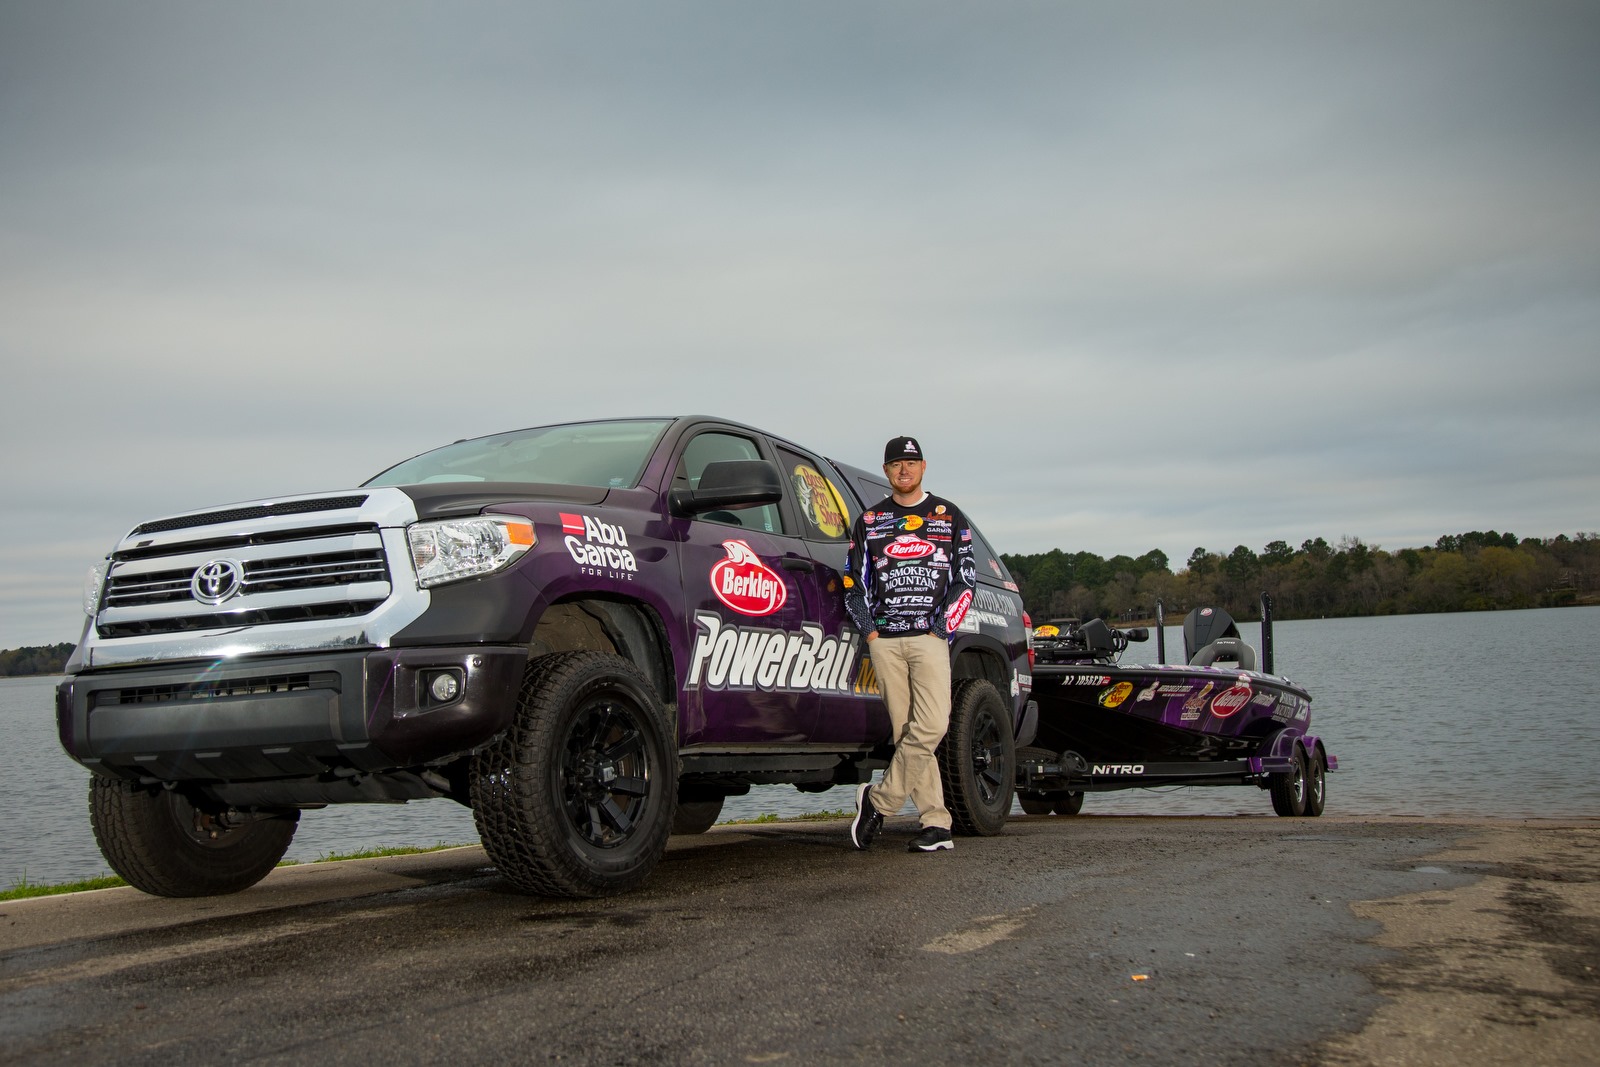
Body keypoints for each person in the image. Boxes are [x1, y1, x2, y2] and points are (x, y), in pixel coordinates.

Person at [843, 435, 976, 853]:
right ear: (886, 471)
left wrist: (941, 629)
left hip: (929, 638)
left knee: (933, 725)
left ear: (923, 467)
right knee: (908, 734)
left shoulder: (949, 517)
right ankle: (936, 822)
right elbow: (853, 582)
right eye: (896, 463)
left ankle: (879, 801)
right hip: (885, 640)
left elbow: (964, 580)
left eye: (911, 463)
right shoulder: (869, 521)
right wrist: (870, 632)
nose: (904, 470)